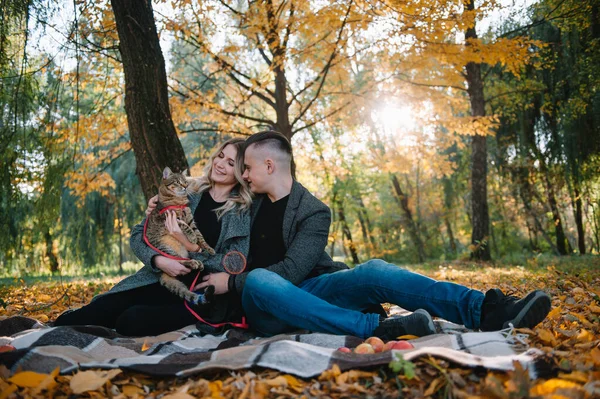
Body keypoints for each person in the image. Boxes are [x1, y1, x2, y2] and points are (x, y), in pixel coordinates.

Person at [196, 131, 552, 340]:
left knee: (375, 269)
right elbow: (208, 196)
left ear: (269, 166)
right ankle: (376, 328)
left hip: (309, 288)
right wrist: (164, 201)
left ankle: (485, 309)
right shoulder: (247, 203)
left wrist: (233, 281)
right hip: (264, 304)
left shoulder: (314, 210)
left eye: (248, 167)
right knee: (259, 279)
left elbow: (294, 269)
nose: (243, 174)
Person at [54, 138, 253, 336]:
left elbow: (235, 263)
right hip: (158, 278)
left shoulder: (241, 211)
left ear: (241, 171)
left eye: (230, 162)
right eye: (220, 156)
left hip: (198, 295)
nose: (220, 164)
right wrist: (158, 260)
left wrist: (192, 248)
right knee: (92, 312)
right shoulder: (184, 193)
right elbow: (138, 234)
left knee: (130, 322)